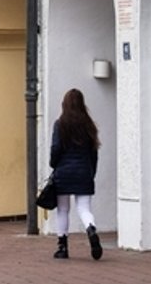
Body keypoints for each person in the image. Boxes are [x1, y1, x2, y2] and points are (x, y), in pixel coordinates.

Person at [47, 87, 101, 260]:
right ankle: (91, 228)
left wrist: (53, 164)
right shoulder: (89, 125)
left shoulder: (60, 124)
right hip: (84, 172)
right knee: (84, 208)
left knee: (63, 209)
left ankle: (62, 247)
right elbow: (94, 152)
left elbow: (55, 149)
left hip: (64, 173)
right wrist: (91, 172)